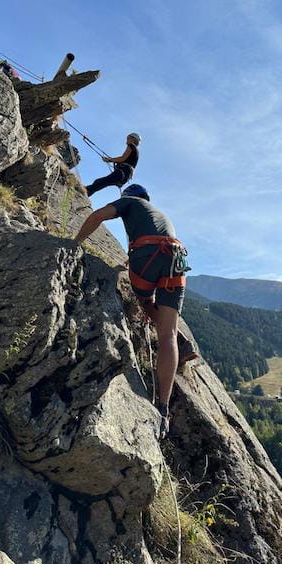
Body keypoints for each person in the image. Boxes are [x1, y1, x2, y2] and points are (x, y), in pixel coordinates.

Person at [74, 183, 196, 439]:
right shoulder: (160, 215)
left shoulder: (131, 203)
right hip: (177, 256)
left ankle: (163, 326)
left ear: (130, 197)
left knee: (143, 299)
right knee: (168, 335)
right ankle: (163, 407)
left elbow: (97, 215)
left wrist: (75, 243)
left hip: (149, 251)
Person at [85, 132, 140, 197]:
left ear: (133, 139)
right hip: (125, 176)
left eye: (128, 138)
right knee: (99, 182)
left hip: (122, 172)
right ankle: (86, 194)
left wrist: (109, 160)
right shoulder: (136, 152)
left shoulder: (131, 145)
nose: (127, 140)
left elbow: (122, 158)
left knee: (101, 182)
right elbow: (125, 161)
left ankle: (83, 190)